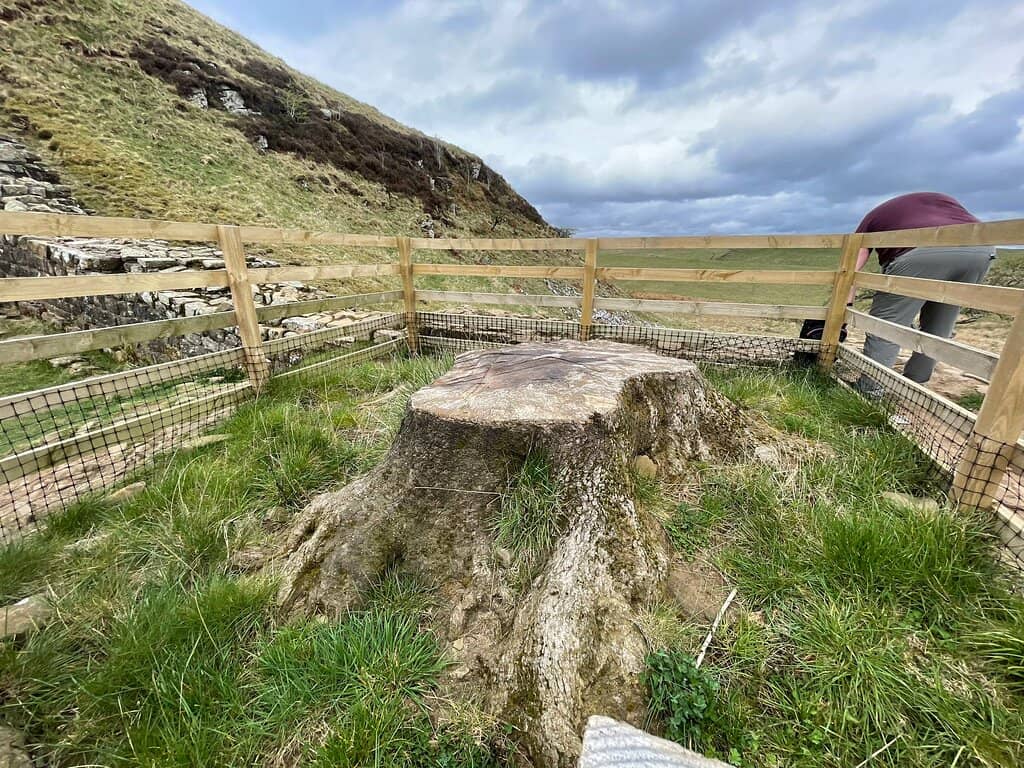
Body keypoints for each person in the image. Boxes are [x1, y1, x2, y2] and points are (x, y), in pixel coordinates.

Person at [851, 192, 995, 391]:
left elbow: (849, 270)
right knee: (940, 324)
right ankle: (916, 384)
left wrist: (845, 306)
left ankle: (871, 389)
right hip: (981, 250)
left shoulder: (870, 221)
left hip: (920, 252)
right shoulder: (941, 202)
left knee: (886, 325)